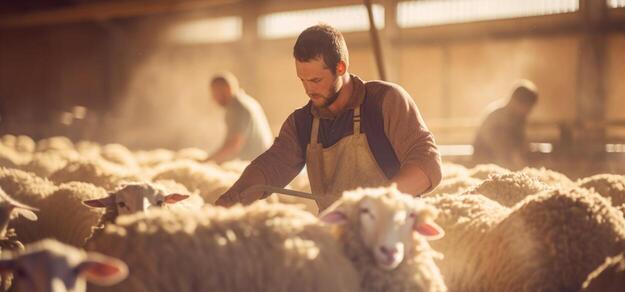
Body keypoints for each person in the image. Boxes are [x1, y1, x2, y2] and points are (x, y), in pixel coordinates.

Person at [216, 24, 442, 211]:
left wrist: (378, 202)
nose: (308, 89)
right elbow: (270, 167)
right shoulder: (302, 123)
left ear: (340, 68)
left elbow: (427, 165)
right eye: (302, 80)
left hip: (392, 236)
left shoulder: (384, 101)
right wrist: (232, 197)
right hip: (340, 237)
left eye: (316, 80)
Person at [205, 72, 273, 163]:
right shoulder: (248, 101)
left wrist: (206, 162)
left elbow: (234, 144)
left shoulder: (237, 107)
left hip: (254, 165)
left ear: (227, 88)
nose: (213, 98)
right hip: (264, 160)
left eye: (215, 93)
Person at [472, 80, 539, 169]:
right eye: (528, 107)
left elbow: (520, 145)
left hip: (504, 166)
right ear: (517, 102)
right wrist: (518, 164)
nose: (530, 112)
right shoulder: (497, 118)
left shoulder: (518, 118)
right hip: (488, 167)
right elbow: (502, 152)